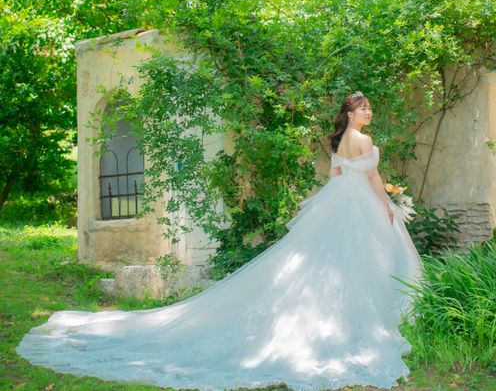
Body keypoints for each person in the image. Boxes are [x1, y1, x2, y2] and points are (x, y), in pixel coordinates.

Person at [17, 91, 423, 390]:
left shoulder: (340, 141)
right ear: (350, 112)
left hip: (339, 201)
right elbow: (372, 179)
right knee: (357, 260)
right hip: (359, 204)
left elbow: (334, 177)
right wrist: (389, 207)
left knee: (327, 262)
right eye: (363, 108)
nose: (369, 112)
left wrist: (325, 202)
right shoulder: (364, 141)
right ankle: (362, 320)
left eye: (370, 108)